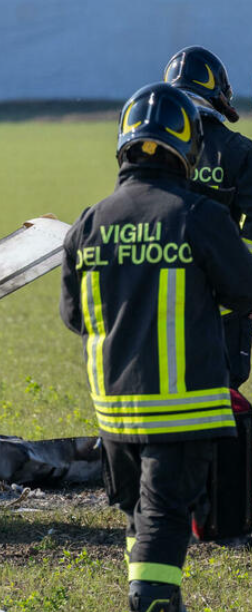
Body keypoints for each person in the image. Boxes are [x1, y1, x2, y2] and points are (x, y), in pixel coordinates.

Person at [59, 82, 252, 612]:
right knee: (167, 520)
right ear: (185, 147)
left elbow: (73, 316)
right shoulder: (198, 214)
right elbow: (244, 290)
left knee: (142, 519)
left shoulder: (90, 222)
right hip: (184, 406)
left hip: (114, 409)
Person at [165, 45, 252, 386]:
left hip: (153, 301)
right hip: (223, 310)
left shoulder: (152, 152)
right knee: (217, 397)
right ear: (218, 94)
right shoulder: (237, 151)